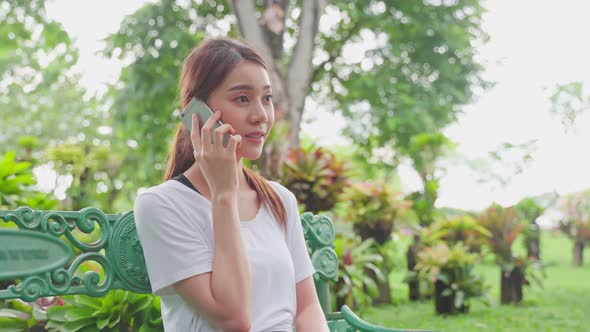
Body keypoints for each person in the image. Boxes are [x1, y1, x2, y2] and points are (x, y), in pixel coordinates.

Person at [133, 38, 329, 332]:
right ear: (197, 111)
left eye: (267, 98)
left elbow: (307, 309)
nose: (261, 115)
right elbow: (234, 318)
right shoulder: (161, 206)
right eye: (242, 99)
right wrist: (223, 195)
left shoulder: (279, 199)